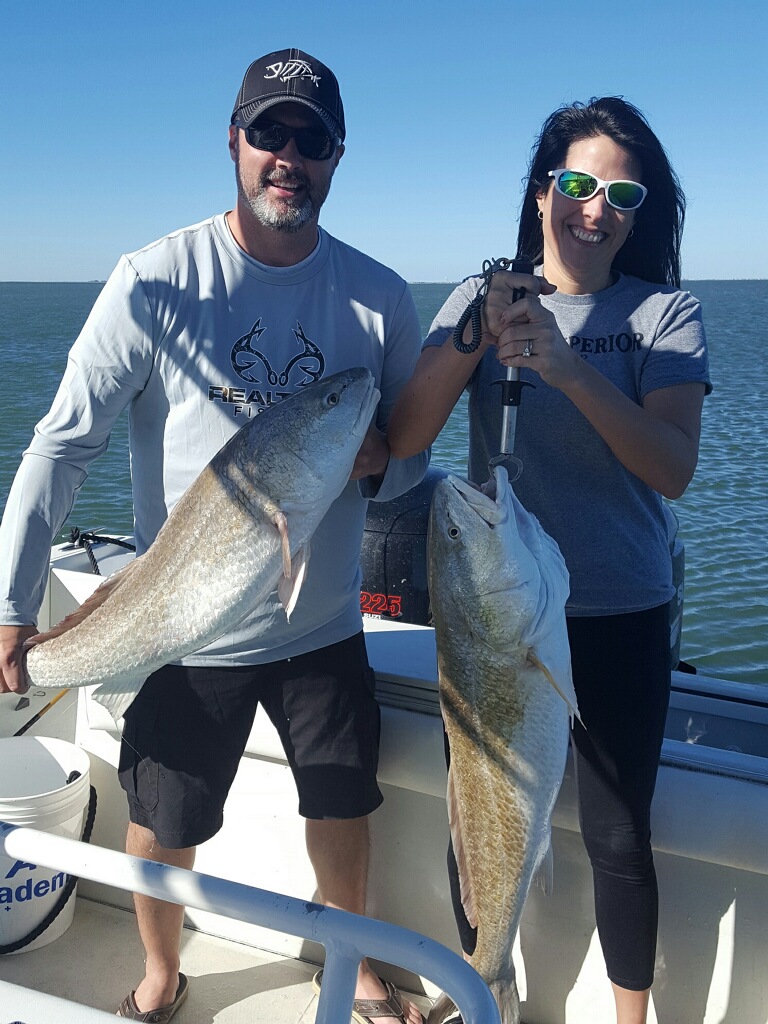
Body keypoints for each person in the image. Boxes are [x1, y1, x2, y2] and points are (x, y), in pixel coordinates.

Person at [0, 48, 427, 1024]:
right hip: (177, 619)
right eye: (269, 131)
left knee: (343, 809)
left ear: (336, 156)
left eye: (310, 138)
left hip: (319, 624)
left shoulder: (379, 299)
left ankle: (355, 967)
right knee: (159, 817)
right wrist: (12, 608)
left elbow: (406, 466)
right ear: (233, 141)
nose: (288, 154)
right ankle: (162, 971)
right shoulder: (153, 280)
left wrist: (380, 464)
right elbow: (63, 445)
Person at [388, 96, 711, 1024]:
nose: (596, 207)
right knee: (473, 820)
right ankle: (479, 991)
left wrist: (569, 368)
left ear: (639, 211)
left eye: (621, 191)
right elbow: (410, 435)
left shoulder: (663, 314)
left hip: (619, 609)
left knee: (618, 835)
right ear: (541, 195)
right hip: (493, 612)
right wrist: (473, 334)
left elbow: (674, 468)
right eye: (577, 184)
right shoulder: (480, 300)